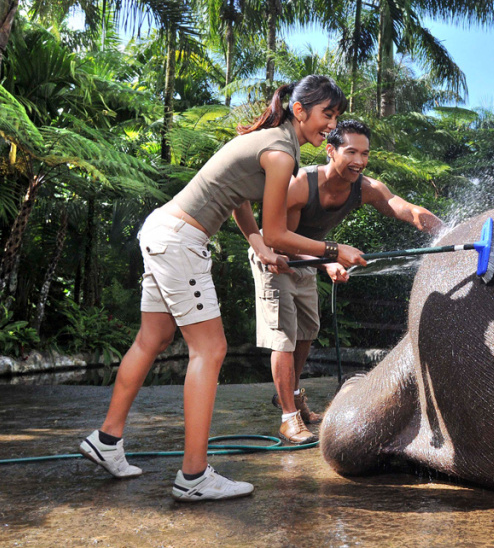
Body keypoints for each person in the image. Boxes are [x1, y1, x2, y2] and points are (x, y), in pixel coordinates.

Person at [79, 76, 367, 502]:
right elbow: (277, 232)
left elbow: (238, 198)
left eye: (336, 116)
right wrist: (333, 249)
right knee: (210, 350)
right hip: (181, 240)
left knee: (153, 338)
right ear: (301, 110)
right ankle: (193, 476)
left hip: (162, 228)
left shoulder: (271, 140)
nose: (331, 124)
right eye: (328, 114)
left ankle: (107, 440)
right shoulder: (281, 151)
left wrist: (257, 244)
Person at [242, 119, 442, 445]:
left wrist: (437, 226)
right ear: (330, 150)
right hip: (275, 259)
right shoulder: (300, 185)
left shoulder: (365, 187)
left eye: (365, 154)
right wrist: (328, 260)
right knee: (283, 336)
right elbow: (281, 241)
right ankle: (288, 418)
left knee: (307, 331)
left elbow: (401, 207)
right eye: (351, 152)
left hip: (314, 256)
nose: (359, 161)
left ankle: (290, 395)